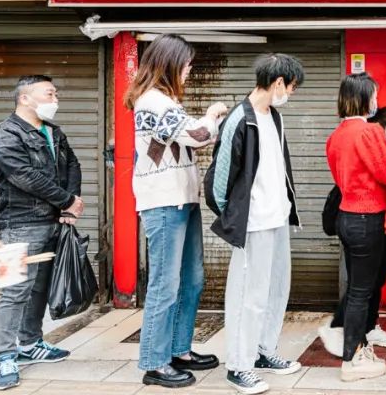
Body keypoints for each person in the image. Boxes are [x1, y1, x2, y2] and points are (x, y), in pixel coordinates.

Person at [127, 35, 227, 389]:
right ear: (168, 63)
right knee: (165, 285)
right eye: (185, 64)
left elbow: (183, 139)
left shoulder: (164, 101)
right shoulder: (153, 101)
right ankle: (155, 362)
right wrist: (214, 114)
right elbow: (198, 136)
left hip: (183, 198)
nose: (189, 69)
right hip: (164, 201)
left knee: (192, 280)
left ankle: (179, 349)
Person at [205, 54, 305, 395]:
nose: (290, 94)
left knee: (276, 288)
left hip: (277, 217)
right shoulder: (239, 119)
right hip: (254, 223)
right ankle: (238, 366)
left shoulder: (272, 116)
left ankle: (263, 352)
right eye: (290, 87)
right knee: (248, 295)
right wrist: (234, 216)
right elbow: (219, 181)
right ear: (278, 83)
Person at [0, 75, 83, 391]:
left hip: (54, 219)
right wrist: (66, 199)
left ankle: (30, 344)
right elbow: (24, 177)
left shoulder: (53, 132)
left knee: (39, 286)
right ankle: (5, 357)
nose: (55, 99)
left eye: (56, 93)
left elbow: (72, 166)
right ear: (25, 98)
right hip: (22, 223)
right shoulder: (5, 135)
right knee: (16, 290)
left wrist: (69, 207)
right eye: (49, 93)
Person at [325, 74, 386, 382]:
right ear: (364, 98)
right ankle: (353, 359)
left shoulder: (336, 135)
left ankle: (357, 349)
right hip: (367, 218)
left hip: (346, 216)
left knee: (357, 289)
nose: (376, 101)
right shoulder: (369, 131)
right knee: (362, 291)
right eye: (374, 95)